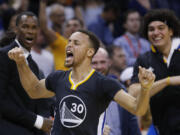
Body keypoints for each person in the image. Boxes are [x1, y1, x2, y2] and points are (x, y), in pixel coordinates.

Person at [8, 29, 155, 135]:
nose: (69, 45)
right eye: (69, 41)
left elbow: (138, 109)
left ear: (90, 52)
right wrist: (21, 63)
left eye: (76, 43)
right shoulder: (58, 77)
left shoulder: (104, 83)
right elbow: (33, 90)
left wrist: (146, 88)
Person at [0, 11, 53, 135]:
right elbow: (1, 102)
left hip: (28, 128)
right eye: (25, 27)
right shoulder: (3, 55)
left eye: (34, 27)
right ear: (16, 29)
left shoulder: (33, 64)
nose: (30, 31)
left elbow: (39, 102)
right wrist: (38, 121)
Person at [129, 9, 180, 135]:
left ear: (171, 31)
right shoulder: (144, 60)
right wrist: (167, 82)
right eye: (151, 29)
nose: (156, 32)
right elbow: (133, 93)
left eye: (161, 28)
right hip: (161, 127)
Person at [92, 47, 141, 135]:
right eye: (94, 63)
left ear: (109, 63)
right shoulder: (80, 91)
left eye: (102, 62)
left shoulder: (120, 88)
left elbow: (131, 122)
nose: (99, 67)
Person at [39, 0, 84, 70]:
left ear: (81, 29)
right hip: (62, 78)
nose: (72, 27)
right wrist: (43, 3)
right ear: (64, 29)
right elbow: (44, 27)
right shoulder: (61, 42)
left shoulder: (87, 44)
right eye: (68, 26)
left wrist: (77, 5)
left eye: (75, 25)